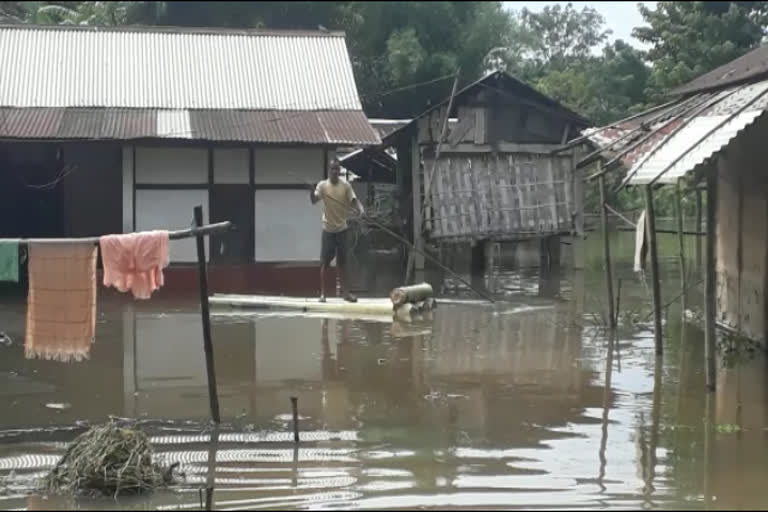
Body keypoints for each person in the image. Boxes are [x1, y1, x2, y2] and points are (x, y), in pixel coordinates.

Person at [309, 159, 364, 302]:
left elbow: (354, 200)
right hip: (328, 229)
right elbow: (314, 200)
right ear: (329, 170)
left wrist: (360, 209)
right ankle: (323, 294)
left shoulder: (345, 185)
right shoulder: (322, 186)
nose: (334, 171)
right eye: (332, 169)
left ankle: (346, 293)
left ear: (339, 171)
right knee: (325, 264)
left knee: (343, 263)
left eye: (337, 169)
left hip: (342, 229)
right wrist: (311, 192)